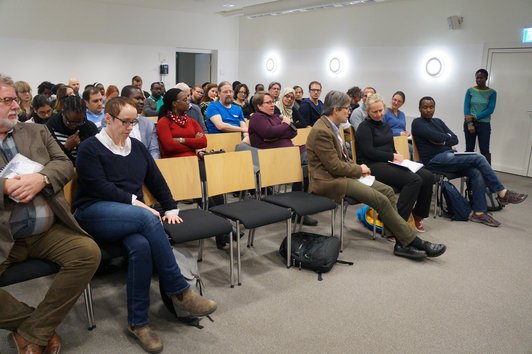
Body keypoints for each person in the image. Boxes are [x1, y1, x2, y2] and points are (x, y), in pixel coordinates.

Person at [73, 97, 217, 353]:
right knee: (148, 217)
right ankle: (180, 291)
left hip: (130, 214)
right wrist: (136, 203)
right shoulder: (89, 148)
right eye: (125, 122)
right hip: (94, 211)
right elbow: (99, 187)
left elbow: (156, 179)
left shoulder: (137, 147)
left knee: (140, 246)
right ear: (108, 119)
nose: (130, 127)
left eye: (134, 121)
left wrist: (171, 206)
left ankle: (138, 324)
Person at [0, 74, 100, 354]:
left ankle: (33, 331)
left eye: (15, 100)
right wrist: (4, 185)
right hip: (5, 235)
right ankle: (35, 327)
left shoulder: (36, 132)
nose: (15, 106)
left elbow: (64, 164)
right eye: (7, 100)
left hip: (47, 230)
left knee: (88, 253)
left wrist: (41, 179)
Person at [306, 90, 446, 259]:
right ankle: (412, 242)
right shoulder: (322, 130)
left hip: (342, 176)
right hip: (329, 181)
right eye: (346, 108)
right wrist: (359, 170)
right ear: (335, 110)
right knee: (381, 199)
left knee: (387, 191)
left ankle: (397, 237)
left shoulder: (332, 127)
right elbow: (334, 167)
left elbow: (342, 160)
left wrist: (357, 170)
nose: (349, 111)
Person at [412, 96, 527, 227]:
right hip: (434, 161)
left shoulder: (438, 121)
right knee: (479, 157)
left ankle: (479, 213)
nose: (428, 110)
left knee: (476, 171)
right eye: (425, 107)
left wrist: (442, 139)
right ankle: (501, 193)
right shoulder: (417, 123)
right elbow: (436, 136)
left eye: (431, 107)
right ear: (420, 109)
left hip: (449, 156)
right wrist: (444, 138)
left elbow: (455, 139)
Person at [356, 93, 433, 232]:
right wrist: (392, 156)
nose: (379, 114)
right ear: (368, 111)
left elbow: (390, 148)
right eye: (375, 111)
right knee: (414, 180)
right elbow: (369, 152)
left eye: (381, 110)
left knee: (427, 176)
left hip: (388, 161)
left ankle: (418, 215)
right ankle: (396, 226)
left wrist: (398, 157)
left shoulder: (385, 126)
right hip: (371, 165)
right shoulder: (364, 127)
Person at [46, 95, 99, 165]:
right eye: (70, 122)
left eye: (79, 122)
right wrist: (66, 148)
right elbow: (48, 159)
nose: (74, 126)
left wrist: (81, 146)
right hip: (61, 171)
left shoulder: (90, 128)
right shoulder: (49, 128)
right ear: (62, 113)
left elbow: (97, 155)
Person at [157, 88, 206, 158]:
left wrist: (181, 140)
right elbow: (170, 147)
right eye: (185, 100)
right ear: (174, 103)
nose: (188, 102)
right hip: (174, 162)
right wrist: (194, 144)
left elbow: (203, 142)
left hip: (194, 160)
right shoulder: (163, 122)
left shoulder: (192, 121)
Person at [464, 68, 497, 165]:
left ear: (486, 78)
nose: (478, 80)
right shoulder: (470, 91)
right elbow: (466, 107)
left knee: (484, 150)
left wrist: (474, 117)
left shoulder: (492, 93)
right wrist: (470, 123)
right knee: (469, 149)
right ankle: (468, 174)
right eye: (477, 78)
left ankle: (487, 175)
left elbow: (490, 110)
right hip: (470, 123)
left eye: (481, 78)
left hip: (484, 125)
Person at [121, 85, 160, 160]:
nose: (142, 102)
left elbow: (154, 150)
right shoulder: (113, 122)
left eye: (142, 99)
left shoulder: (149, 124)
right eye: (137, 98)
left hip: (145, 164)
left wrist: (151, 166)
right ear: (124, 99)